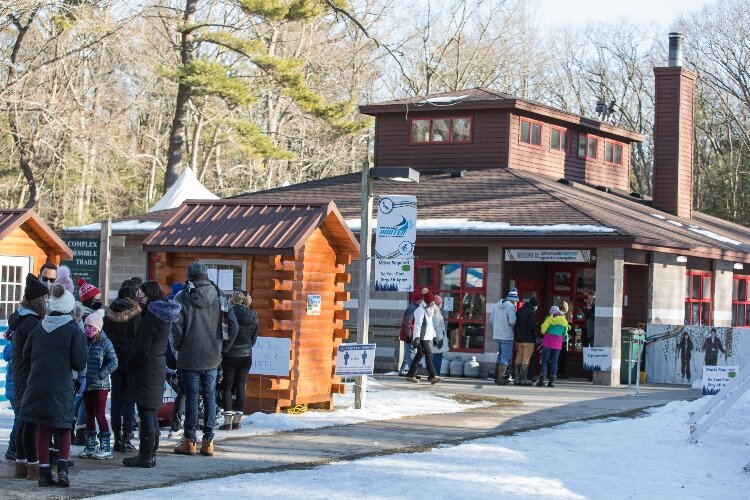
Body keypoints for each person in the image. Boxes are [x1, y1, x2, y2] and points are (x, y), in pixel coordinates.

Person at [21, 283, 87, 487]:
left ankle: (43, 474)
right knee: (64, 429)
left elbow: (26, 354)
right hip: (61, 386)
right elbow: (79, 362)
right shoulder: (73, 331)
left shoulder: (38, 328)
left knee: (44, 429)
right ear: (68, 307)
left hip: (37, 386)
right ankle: (63, 471)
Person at [171, 263, 238, 457]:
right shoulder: (220, 296)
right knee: (209, 395)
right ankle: (208, 441)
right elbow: (233, 327)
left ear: (190, 276)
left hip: (189, 355)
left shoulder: (182, 297)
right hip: (212, 355)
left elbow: (176, 328)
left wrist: (178, 347)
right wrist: (222, 347)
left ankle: (189, 440)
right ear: (206, 276)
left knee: (191, 396)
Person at [123, 281, 181, 468]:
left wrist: (130, 362)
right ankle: (150, 453)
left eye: (141, 294)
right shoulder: (163, 316)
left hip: (146, 368)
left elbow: (143, 348)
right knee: (150, 412)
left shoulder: (151, 317)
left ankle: (146, 455)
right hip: (157, 366)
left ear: (150, 295)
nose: (138, 297)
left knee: (146, 412)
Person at [9, 274, 48, 480]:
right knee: (30, 423)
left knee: (26, 421)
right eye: (45, 299)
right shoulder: (31, 322)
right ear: (37, 301)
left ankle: (22, 465)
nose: (47, 302)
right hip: (29, 377)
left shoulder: (23, 319)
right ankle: (33, 467)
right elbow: (36, 351)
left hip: (22, 376)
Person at [104, 286, 141, 453]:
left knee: (116, 399)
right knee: (129, 400)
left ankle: (117, 438)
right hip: (131, 362)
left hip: (114, 360)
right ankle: (127, 436)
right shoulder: (136, 314)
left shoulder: (108, 314)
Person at [79, 312, 118, 460]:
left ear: (98, 327)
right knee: (88, 415)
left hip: (100, 385)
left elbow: (114, 362)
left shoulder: (105, 343)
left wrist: (102, 374)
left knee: (99, 414)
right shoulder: (83, 341)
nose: (88, 329)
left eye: (91, 326)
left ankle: (105, 446)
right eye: (86, 326)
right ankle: (90, 444)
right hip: (86, 383)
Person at [219, 290, 258, 431]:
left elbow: (223, 332)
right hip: (246, 355)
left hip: (230, 354)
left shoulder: (229, 313)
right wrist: (246, 347)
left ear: (233, 300)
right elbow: (254, 338)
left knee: (227, 387)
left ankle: (227, 421)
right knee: (241, 386)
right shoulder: (253, 315)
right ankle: (238, 421)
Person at [405, 292, 442, 384]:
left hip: (427, 336)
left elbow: (430, 325)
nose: (433, 304)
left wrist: (434, 337)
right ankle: (433, 376)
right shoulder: (420, 310)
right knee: (429, 355)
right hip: (422, 337)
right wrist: (417, 338)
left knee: (419, 355)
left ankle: (410, 375)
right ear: (428, 301)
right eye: (432, 302)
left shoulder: (429, 310)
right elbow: (417, 325)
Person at [490, 288, 519, 385]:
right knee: (505, 357)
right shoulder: (510, 306)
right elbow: (512, 321)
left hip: (497, 335)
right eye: (516, 301)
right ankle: (501, 377)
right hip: (506, 335)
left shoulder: (497, 304)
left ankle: (496, 376)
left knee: (500, 356)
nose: (516, 303)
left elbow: (491, 319)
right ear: (513, 300)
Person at [536, 306, 569, 388]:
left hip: (547, 343)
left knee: (544, 361)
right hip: (557, 344)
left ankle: (542, 380)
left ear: (552, 312)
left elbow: (543, 330)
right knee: (554, 362)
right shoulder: (564, 321)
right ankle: (552, 382)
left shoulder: (550, 318)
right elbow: (565, 333)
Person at [513, 297, 539, 386]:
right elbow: (531, 326)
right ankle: (523, 379)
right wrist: (536, 326)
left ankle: (516, 379)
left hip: (519, 339)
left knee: (518, 358)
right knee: (526, 359)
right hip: (528, 339)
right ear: (535, 306)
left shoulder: (520, 311)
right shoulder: (531, 312)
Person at [398, 291, 423, 376]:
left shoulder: (415, 307)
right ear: (419, 300)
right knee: (410, 353)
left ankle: (402, 370)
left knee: (408, 353)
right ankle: (412, 373)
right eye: (422, 299)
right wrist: (409, 336)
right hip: (409, 333)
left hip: (410, 333)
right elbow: (407, 323)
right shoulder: (413, 308)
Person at [430, 295, 449, 375]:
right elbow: (437, 327)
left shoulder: (432, 310)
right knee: (437, 356)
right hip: (437, 339)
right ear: (439, 304)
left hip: (433, 338)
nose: (442, 304)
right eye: (441, 303)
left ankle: (433, 374)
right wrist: (440, 339)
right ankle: (435, 375)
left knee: (434, 357)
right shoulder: (436, 313)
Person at [557, 300, 571, 378]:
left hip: (556, 339)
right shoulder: (564, 316)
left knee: (556, 356)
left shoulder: (556, 314)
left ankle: (556, 372)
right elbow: (567, 327)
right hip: (563, 339)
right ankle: (560, 373)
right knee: (562, 357)